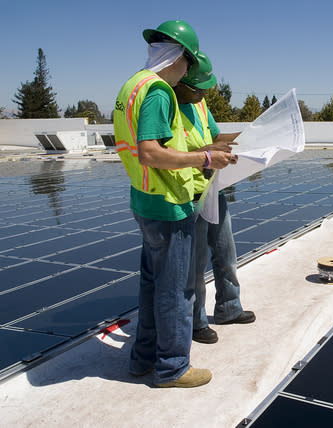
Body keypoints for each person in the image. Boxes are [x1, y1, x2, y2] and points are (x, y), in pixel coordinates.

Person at [113, 20, 237, 388]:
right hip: (168, 204)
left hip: (144, 199)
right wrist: (204, 160)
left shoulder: (132, 85)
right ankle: (172, 367)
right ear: (179, 58)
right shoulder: (159, 91)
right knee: (176, 290)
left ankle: (142, 359)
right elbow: (151, 152)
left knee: (152, 286)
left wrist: (206, 151)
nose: (189, 73)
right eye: (189, 65)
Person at [173, 52, 256, 345]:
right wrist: (208, 152)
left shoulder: (199, 104)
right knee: (195, 265)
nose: (202, 95)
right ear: (182, 82)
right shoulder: (169, 107)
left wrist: (249, 135)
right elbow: (182, 153)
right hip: (190, 194)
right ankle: (195, 322)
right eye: (198, 89)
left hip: (213, 188)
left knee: (226, 252)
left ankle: (229, 308)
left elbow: (217, 137)